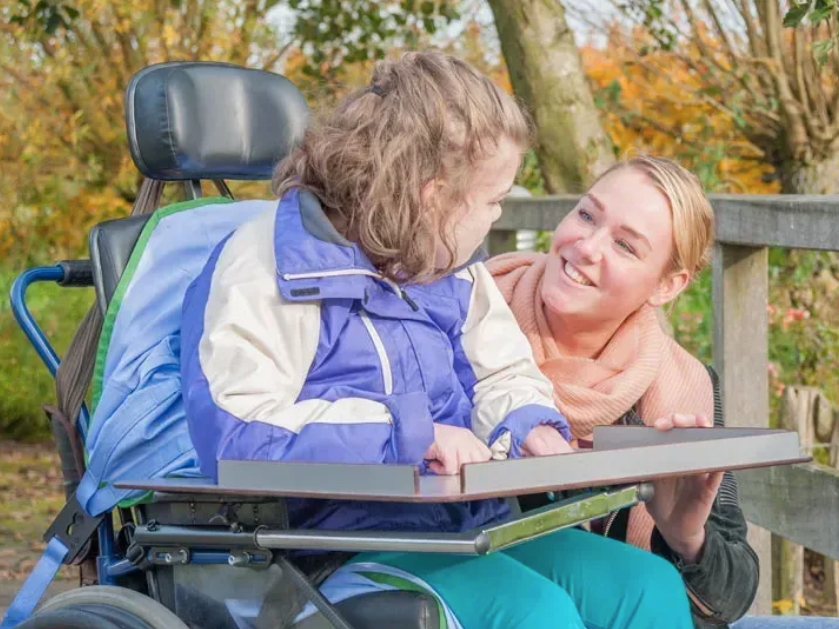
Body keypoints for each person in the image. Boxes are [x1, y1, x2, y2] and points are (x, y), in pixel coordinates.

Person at [180, 52, 694, 628]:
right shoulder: (265, 263)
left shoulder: (449, 266)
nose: (497, 216)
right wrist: (410, 433)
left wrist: (528, 425)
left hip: (461, 525)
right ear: (434, 196)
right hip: (322, 547)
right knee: (533, 611)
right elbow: (238, 431)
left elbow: (501, 373)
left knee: (644, 585)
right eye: (494, 200)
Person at [488, 154, 839, 629]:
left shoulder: (684, 385)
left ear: (667, 286)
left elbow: (731, 596)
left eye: (625, 246)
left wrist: (686, 538)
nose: (587, 246)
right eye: (587, 215)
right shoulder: (460, 326)